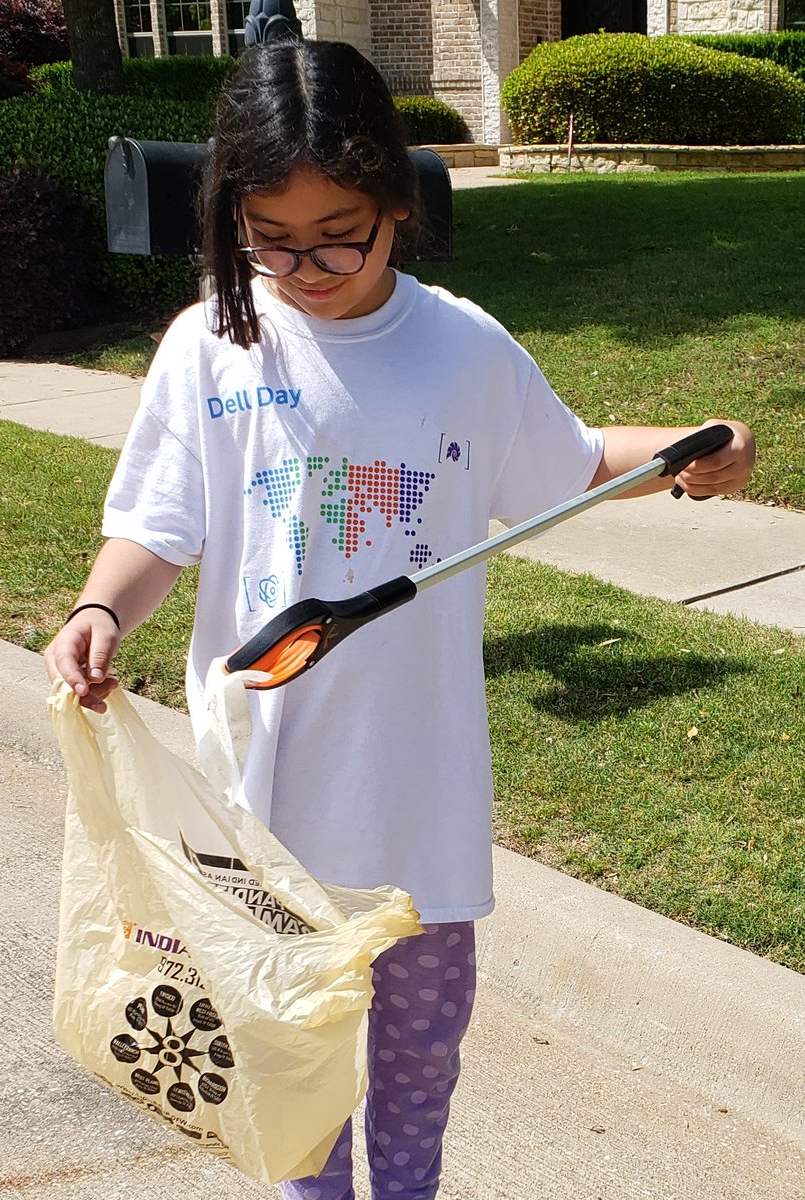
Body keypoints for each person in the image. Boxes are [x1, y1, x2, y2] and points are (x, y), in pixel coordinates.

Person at [44, 38, 755, 1200]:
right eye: (269, 240)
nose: (306, 267)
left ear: (399, 206)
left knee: (420, 1056)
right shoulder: (211, 348)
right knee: (292, 1062)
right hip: (260, 809)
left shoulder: (461, 348)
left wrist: (690, 452)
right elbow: (158, 528)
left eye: (340, 233)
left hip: (418, 801)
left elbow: (568, 466)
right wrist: (98, 608)